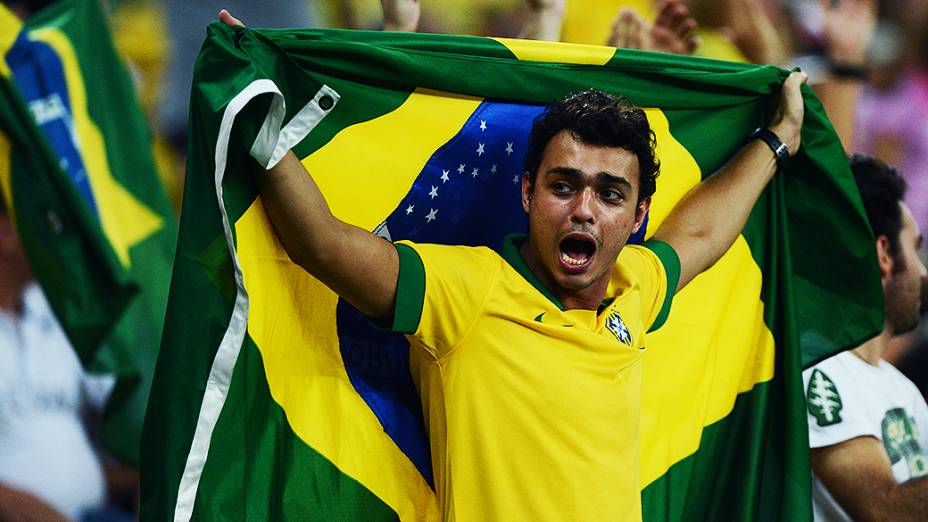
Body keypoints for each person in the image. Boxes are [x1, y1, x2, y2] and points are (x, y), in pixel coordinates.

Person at [219, 9, 806, 520]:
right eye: (564, 185)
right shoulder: (463, 291)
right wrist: (258, 119)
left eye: (609, 194)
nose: (583, 210)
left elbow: (701, 231)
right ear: (527, 191)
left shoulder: (636, 287)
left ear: (636, 217)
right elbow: (322, 243)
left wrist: (777, 140)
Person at [803, 155, 928, 521]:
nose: (923, 272)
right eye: (915, 247)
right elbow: (885, 509)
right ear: (884, 253)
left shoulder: (901, 388)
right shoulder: (818, 371)